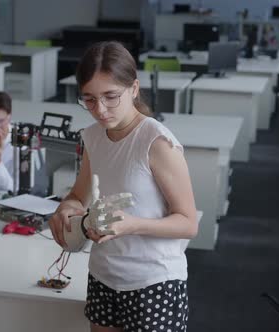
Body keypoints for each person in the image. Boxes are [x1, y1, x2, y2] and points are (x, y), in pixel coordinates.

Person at [48, 41, 199, 332]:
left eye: (111, 96)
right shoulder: (94, 136)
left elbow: (188, 223)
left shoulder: (156, 142)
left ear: (134, 88)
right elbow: (80, 195)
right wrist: (67, 209)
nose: (100, 110)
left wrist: (131, 225)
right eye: (89, 99)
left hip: (154, 282)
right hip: (104, 275)